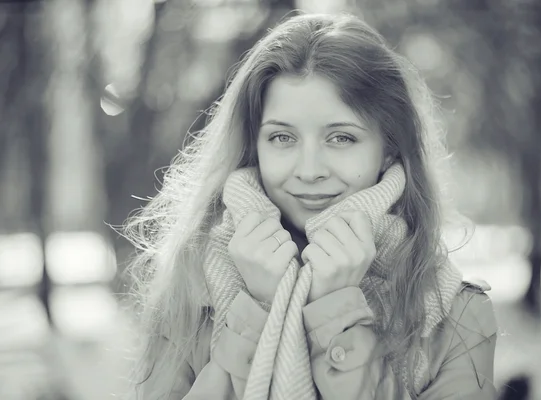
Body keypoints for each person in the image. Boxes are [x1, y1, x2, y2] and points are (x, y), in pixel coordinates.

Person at [122, 12, 498, 400]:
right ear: (255, 146)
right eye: (283, 137)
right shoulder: (189, 289)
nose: (309, 170)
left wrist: (336, 314)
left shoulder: (455, 314)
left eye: (341, 138)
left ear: (388, 151)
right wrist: (257, 308)